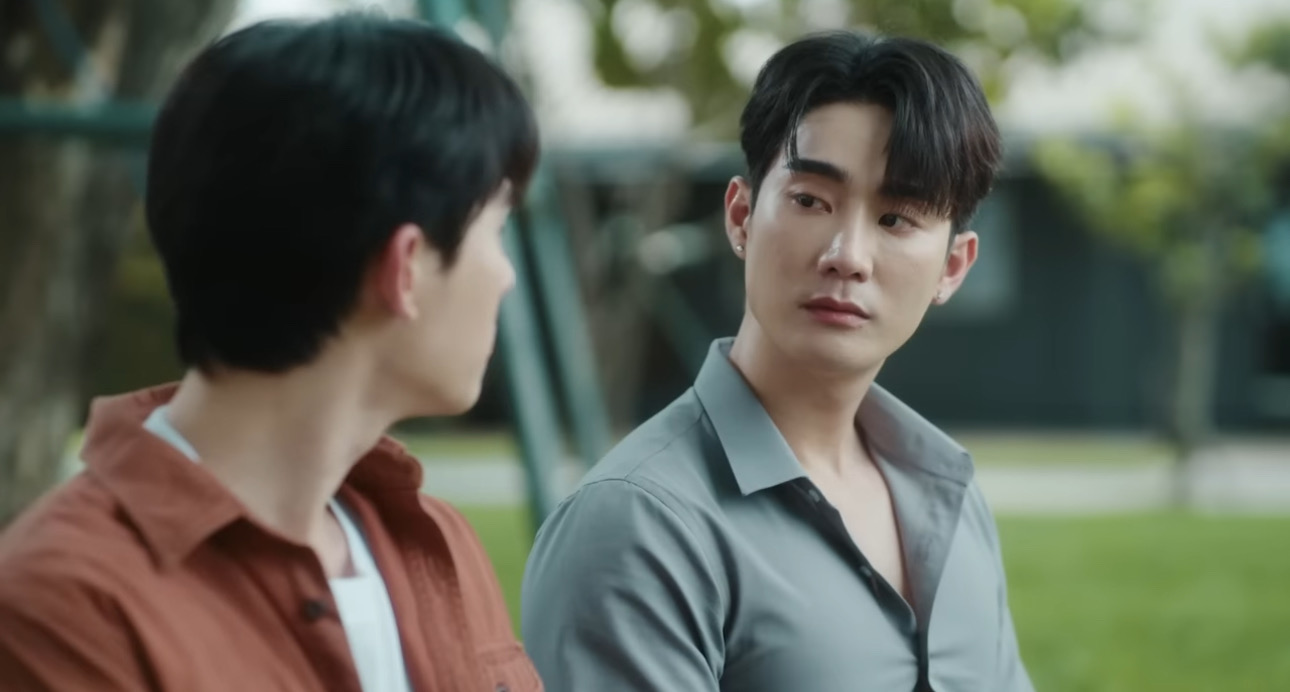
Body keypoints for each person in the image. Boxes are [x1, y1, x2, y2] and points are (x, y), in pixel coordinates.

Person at [0, 14, 542, 692]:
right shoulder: (69, 606)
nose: (506, 276)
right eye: (497, 227)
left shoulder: (437, 546)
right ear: (405, 267)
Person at [522, 30, 1033, 692]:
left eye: (896, 219)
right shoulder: (638, 525)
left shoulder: (950, 499)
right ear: (740, 216)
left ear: (953, 268)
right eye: (811, 201)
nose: (847, 256)